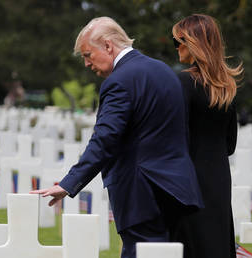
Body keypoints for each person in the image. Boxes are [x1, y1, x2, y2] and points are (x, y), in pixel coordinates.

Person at [31, 17, 203, 258]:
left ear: (108, 46)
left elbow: (105, 140)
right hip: (176, 190)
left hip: (141, 192)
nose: (87, 64)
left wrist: (68, 184)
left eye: (88, 55)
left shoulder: (119, 81)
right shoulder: (164, 71)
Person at [172, 14, 243, 258]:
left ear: (194, 43)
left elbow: (173, 137)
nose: (176, 47)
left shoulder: (183, 81)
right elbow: (230, 144)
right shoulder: (227, 87)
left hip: (188, 180)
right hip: (218, 179)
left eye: (178, 41)